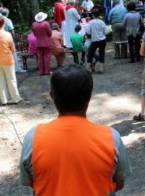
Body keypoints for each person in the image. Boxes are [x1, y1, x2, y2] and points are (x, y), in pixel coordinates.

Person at [19, 65, 132, 195]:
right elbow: (119, 183)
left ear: (52, 96)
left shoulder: (32, 138)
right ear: (89, 97)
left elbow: (29, 182)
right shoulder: (112, 138)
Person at [0, 14, 22, 105]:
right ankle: (15, 98)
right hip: (7, 60)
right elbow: (12, 49)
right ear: (4, 23)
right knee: (11, 79)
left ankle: (4, 100)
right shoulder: (7, 35)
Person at [1, 8, 27, 73]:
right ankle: (16, 69)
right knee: (13, 54)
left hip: (1, 39)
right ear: (7, 13)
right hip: (8, 38)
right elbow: (12, 30)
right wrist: (14, 38)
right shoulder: (8, 20)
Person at [85, 8, 107, 74]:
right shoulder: (102, 22)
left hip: (94, 40)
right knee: (101, 53)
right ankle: (101, 68)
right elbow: (105, 32)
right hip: (102, 39)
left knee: (90, 54)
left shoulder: (91, 22)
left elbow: (88, 32)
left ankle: (87, 69)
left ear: (93, 15)